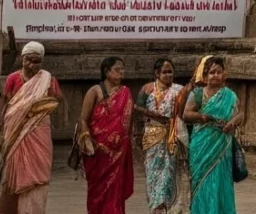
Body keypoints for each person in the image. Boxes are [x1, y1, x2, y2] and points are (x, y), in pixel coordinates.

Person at [0, 40, 61, 214]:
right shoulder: (13, 78)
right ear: (22, 59)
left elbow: (57, 100)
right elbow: (5, 103)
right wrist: (0, 129)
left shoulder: (48, 79)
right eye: (29, 60)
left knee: (38, 176)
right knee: (11, 178)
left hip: (39, 131)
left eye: (36, 61)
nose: (32, 65)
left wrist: (42, 104)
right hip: (15, 132)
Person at [178, 56, 242, 214]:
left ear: (224, 75)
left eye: (218, 72)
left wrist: (232, 123)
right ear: (205, 76)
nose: (215, 75)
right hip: (202, 145)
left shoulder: (230, 96)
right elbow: (186, 115)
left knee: (221, 182)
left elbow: (240, 114)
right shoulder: (198, 94)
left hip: (222, 146)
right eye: (212, 72)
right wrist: (202, 117)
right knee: (202, 182)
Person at [78, 56, 137, 214]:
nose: (122, 73)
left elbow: (128, 121)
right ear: (106, 71)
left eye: (123, 70)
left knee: (115, 192)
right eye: (118, 70)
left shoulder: (125, 92)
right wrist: (86, 138)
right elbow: (83, 119)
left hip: (119, 152)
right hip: (98, 151)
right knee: (98, 190)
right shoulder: (95, 91)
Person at [138, 57, 187, 213]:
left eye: (170, 72)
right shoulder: (147, 89)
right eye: (165, 72)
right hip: (151, 135)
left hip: (172, 136)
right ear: (156, 73)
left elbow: (184, 113)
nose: (168, 75)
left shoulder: (180, 90)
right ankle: (155, 206)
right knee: (152, 173)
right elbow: (137, 110)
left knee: (168, 173)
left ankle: (165, 207)